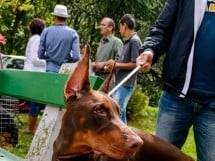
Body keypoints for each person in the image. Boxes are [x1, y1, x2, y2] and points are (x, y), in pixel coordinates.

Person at [136, 1, 215, 161]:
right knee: (159, 158)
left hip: (212, 106)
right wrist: (149, 50)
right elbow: (161, 30)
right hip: (175, 98)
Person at [106, 14, 142, 124]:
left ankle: (123, 139)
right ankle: (126, 138)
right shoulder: (127, 42)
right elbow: (124, 63)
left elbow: (136, 64)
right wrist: (112, 67)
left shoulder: (134, 41)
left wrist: (115, 65)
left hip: (126, 84)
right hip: (120, 82)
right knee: (120, 111)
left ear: (124, 26)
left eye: (120, 27)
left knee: (117, 111)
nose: (120, 30)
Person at [38, 4, 80, 73]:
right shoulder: (73, 33)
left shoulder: (46, 31)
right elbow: (76, 57)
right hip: (65, 71)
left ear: (55, 17)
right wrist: (68, 60)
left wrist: (49, 59)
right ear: (66, 18)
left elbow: (40, 54)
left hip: (50, 69)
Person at [23, 18, 46, 134]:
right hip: (35, 73)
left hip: (31, 71)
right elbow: (35, 59)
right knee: (36, 101)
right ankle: (32, 128)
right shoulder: (37, 40)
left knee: (35, 101)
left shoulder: (33, 39)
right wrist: (48, 61)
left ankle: (32, 126)